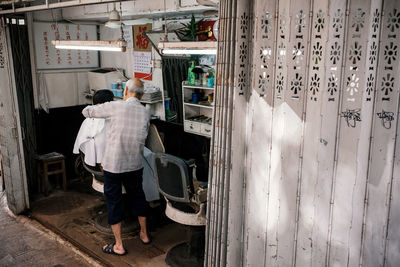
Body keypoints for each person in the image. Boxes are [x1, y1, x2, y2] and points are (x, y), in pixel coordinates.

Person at [82, 78, 151, 256]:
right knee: (138, 197)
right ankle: (144, 234)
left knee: (114, 202)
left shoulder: (116, 106)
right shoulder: (145, 112)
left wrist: (96, 110)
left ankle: (119, 245)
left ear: (126, 90)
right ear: (142, 95)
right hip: (135, 164)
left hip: (113, 165)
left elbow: (87, 111)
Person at [73, 90, 114, 167]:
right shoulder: (111, 120)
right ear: (109, 103)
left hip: (89, 158)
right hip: (108, 162)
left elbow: (81, 140)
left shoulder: (88, 119)